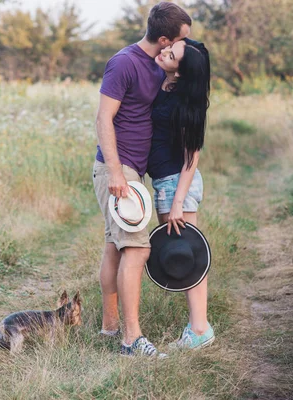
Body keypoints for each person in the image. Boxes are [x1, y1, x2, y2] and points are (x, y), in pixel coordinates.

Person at [93, 2, 191, 357]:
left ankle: (109, 327)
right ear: (163, 38)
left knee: (114, 246)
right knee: (137, 247)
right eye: (179, 41)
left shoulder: (156, 66)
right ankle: (131, 341)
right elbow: (104, 119)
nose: (180, 48)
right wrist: (117, 172)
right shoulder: (123, 63)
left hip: (134, 169)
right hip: (116, 169)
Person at [147, 38, 215, 349]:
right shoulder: (166, 83)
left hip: (177, 184)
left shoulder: (187, 102)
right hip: (164, 182)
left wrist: (177, 203)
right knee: (181, 253)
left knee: (189, 255)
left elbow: (191, 158)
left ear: (181, 70)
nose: (163, 53)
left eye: (171, 55)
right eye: (167, 47)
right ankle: (198, 328)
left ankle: (200, 331)